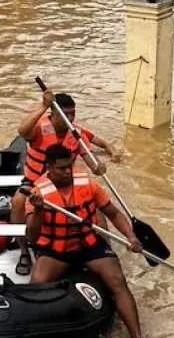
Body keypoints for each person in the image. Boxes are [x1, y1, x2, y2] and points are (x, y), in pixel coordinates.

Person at [26, 144, 149, 338]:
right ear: (49, 167)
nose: (68, 172)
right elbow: (32, 235)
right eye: (62, 168)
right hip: (57, 250)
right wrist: (38, 210)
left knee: (118, 282)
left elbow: (114, 213)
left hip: (89, 245)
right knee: (37, 286)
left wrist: (130, 236)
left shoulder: (88, 185)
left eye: (69, 166)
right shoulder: (37, 192)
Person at [10, 90, 119, 275]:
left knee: (95, 205)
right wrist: (44, 105)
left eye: (72, 114)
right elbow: (22, 131)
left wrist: (99, 166)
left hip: (65, 181)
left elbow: (90, 159)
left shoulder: (75, 132)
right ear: (52, 113)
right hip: (35, 180)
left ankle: (104, 249)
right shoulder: (39, 129)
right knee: (18, 202)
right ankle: (24, 251)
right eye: (64, 114)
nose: (69, 118)